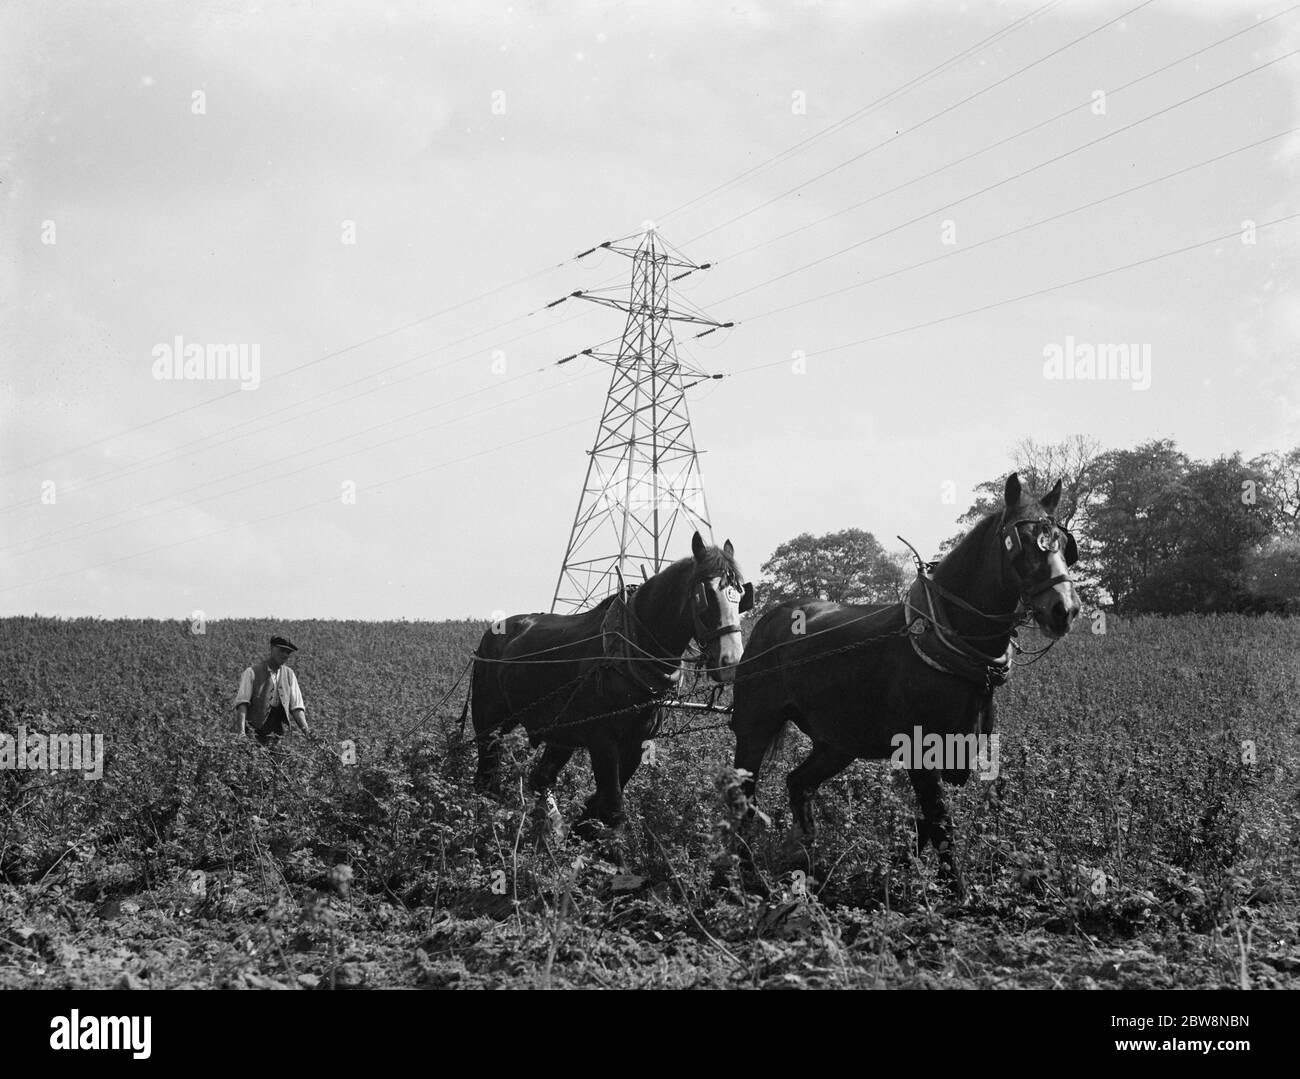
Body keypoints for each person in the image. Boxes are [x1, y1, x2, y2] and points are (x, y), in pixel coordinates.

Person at [234, 635, 310, 746]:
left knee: (277, 761)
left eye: (288, 652)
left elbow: (297, 708)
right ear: (272, 648)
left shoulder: (289, 674)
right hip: (253, 732)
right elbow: (242, 704)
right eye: (282, 650)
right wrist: (241, 733)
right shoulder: (251, 672)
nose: (285, 655)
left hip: (277, 733)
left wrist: (308, 734)